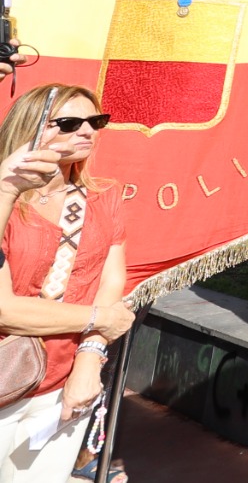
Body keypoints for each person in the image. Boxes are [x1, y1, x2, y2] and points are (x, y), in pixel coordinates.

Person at [0, 86, 137, 482]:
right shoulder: (6, 204)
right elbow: (5, 308)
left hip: (64, 381)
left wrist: (90, 359)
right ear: (31, 129)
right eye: (69, 123)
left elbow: (110, 281)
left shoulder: (104, 197)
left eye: (95, 122)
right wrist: (101, 320)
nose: (87, 132)